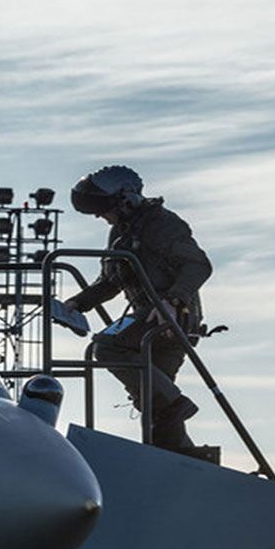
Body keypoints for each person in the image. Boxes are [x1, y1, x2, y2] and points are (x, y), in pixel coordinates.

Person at [63, 165, 212, 454]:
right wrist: (78, 303)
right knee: (153, 403)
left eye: (104, 209)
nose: (99, 216)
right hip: (150, 317)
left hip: (170, 316)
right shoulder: (121, 231)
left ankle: (176, 405)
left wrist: (172, 301)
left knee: (106, 347)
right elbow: (111, 281)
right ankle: (186, 460)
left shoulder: (163, 225)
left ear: (125, 201)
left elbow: (198, 264)